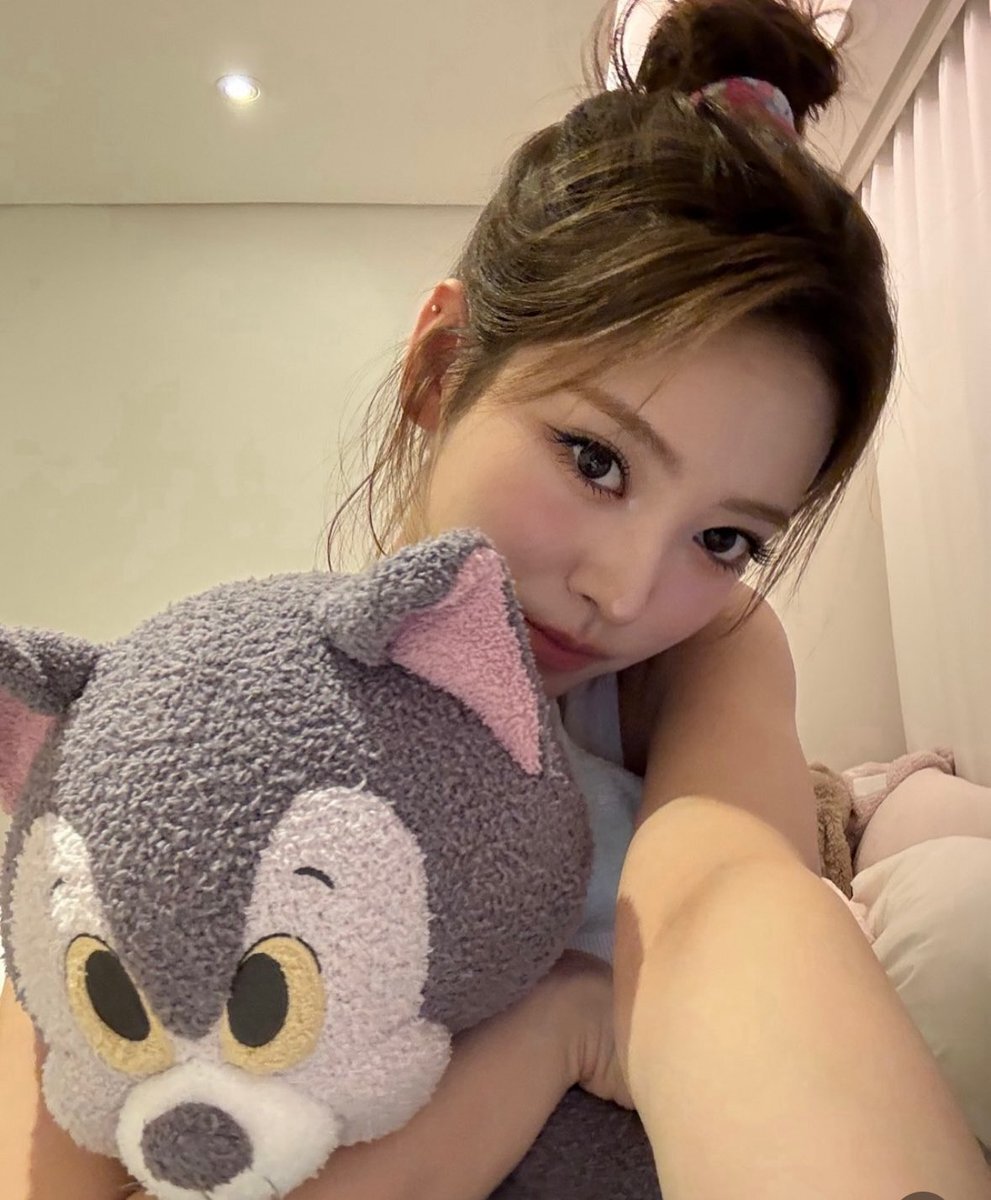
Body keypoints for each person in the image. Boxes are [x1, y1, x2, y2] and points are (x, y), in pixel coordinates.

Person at [2, 1, 989, 1197]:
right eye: (595, 460)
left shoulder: (703, 648)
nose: (624, 591)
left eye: (723, 537)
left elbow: (721, 888)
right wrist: (556, 1030)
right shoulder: (236, 711)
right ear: (439, 367)